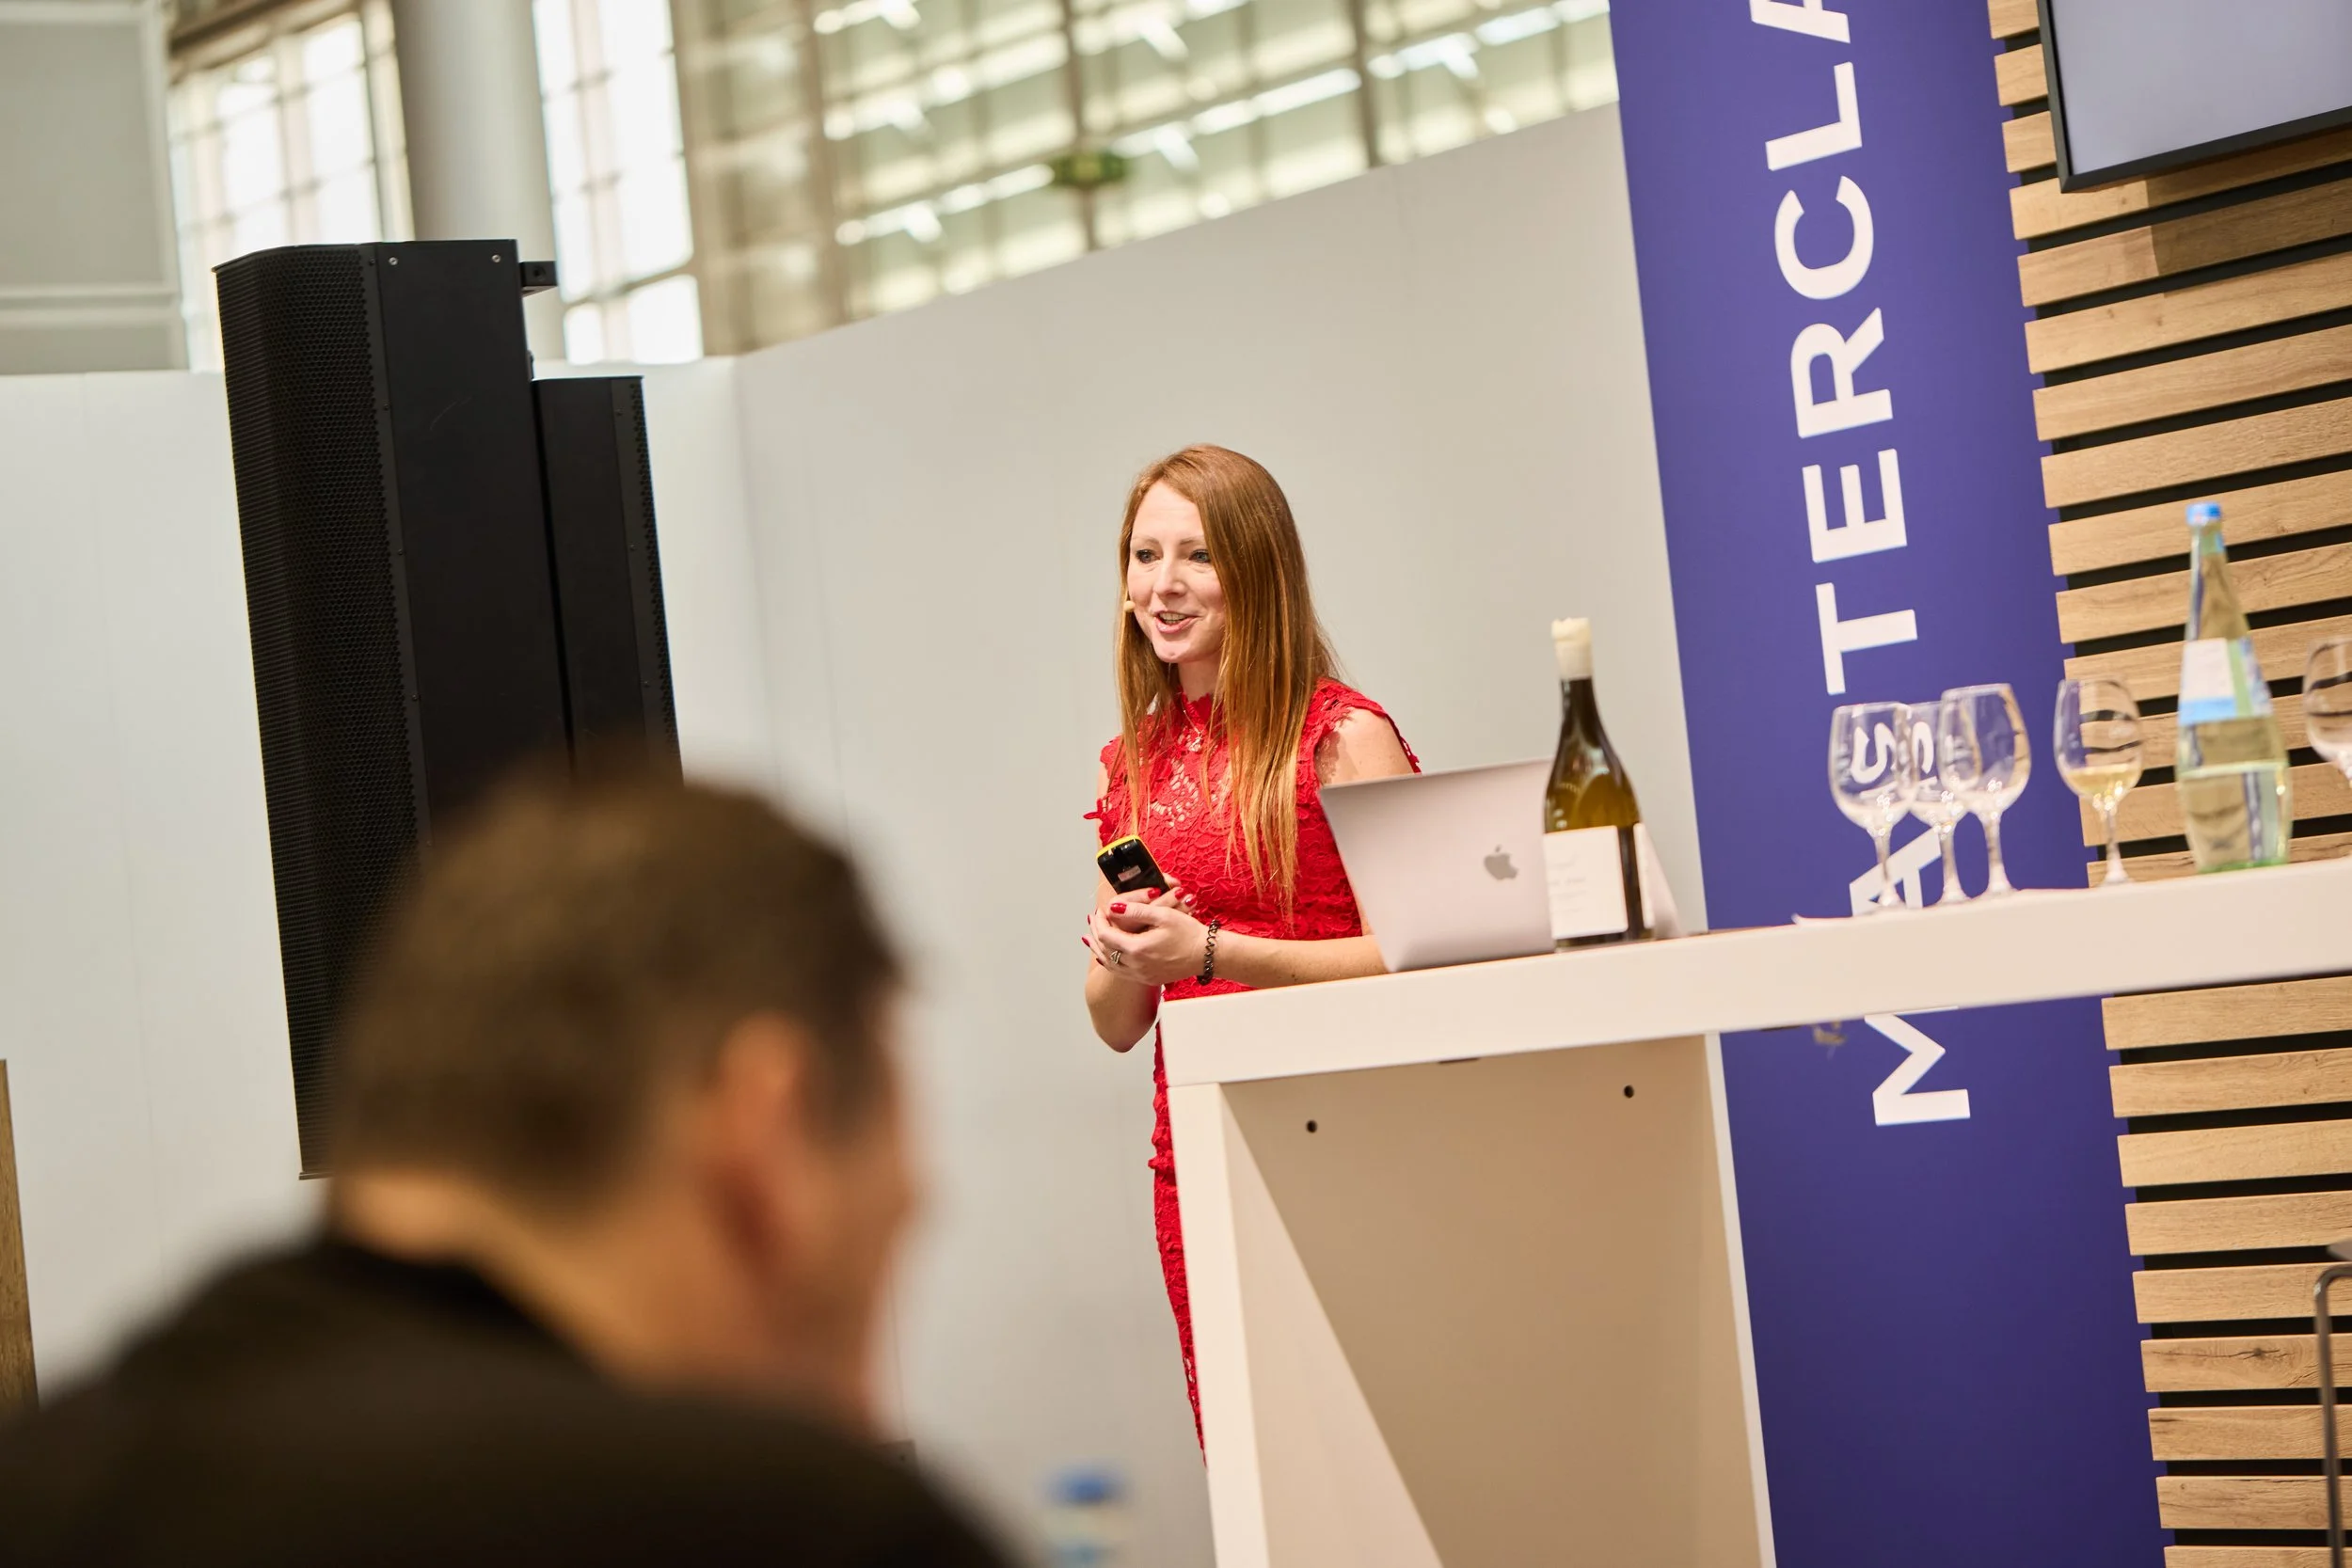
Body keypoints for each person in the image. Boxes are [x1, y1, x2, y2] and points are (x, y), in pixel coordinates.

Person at [0, 773, 1006, 1568]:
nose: (870, 1408)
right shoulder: (805, 1531)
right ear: (765, 1138)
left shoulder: (44, 1489)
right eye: (883, 1246)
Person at [1082, 445, 1417, 1438]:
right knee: (1249, 1451)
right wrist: (1120, 946)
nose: (1162, 585)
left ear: (1257, 569)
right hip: (1196, 1144)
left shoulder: (1344, 736)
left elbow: (1416, 954)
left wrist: (1213, 952)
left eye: (1196, 555)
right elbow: (1112, 1024)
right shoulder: (1131, 761)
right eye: (1144, 556)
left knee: (1374, 1437)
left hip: (1347, 1129)